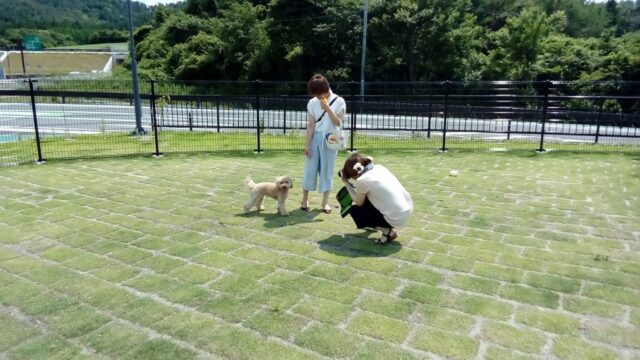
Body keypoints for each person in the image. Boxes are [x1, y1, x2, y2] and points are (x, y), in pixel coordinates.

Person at [339, 153, 413, 244]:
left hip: (396, 218)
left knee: (355, 211)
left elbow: (359, 202)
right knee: (367, 198)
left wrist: (346, 182)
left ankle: (387, 232)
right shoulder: (379, 167)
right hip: (407, 210)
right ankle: (380, 225)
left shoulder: (362, 180)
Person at [301, 74, 346, 213]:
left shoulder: (339, 101)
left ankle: (325, 202)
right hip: (315, 138)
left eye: (319, 94)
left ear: (326, 89)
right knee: (310, 169)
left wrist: (327, 108)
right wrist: (307, 145)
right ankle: (304, 199)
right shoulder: (312, 102)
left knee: (327, 171)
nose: (318, 97)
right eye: (315, 95)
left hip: (331, 138)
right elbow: (310, 125)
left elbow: (338, 122)